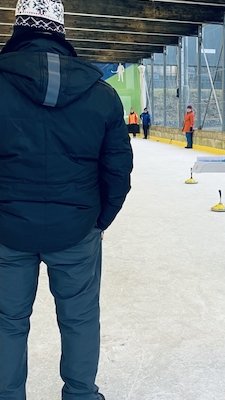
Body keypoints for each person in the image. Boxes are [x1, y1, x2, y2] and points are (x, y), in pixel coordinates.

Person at [0, 1, 133, 400]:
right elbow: (118, 170)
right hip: (77, 229)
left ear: (19, 29)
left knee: (7, 322)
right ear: (61, 31)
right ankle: (80, 394)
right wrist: (99, 220)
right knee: (79, 319)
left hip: (7, 230)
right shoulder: (101, 94)